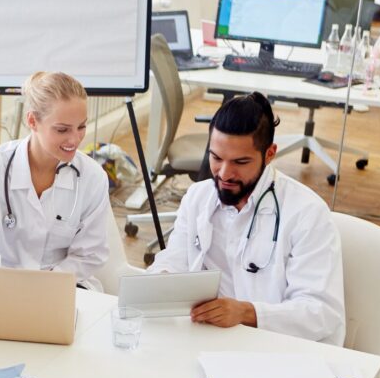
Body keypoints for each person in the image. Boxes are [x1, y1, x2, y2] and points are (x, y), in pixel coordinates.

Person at [148, 92, 345, 345]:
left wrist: (246, 313)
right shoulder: (198, 197)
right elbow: (176, 258)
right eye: (216, 158)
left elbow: (321, 312)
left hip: (278, 348)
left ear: (270, 153)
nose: (225, 173)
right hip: (210, 340)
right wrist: (163, 277)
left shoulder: (307, 213)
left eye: (240, 162)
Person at [0, 71, 110, 290]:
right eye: (62, 129)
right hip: (0, 287)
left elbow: (90, 254)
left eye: (81, 126)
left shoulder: (92, 178)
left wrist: (43, 288)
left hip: (63, 287)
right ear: (32, 121)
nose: (75, 139)